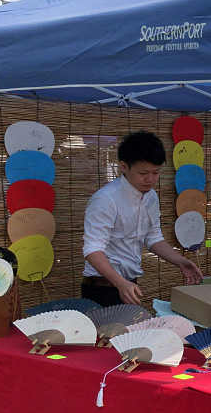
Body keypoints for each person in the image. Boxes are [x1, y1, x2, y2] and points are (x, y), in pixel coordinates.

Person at [82, 130, 203, 307]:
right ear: (123, 167)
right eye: (143, 173)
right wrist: (120, 283)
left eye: (156, 172)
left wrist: (181, 261)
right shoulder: (105, 199)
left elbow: (153, 238)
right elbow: (92, 250)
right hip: (102, 286)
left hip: (129, 283)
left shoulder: (151, 197)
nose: (150, 179)